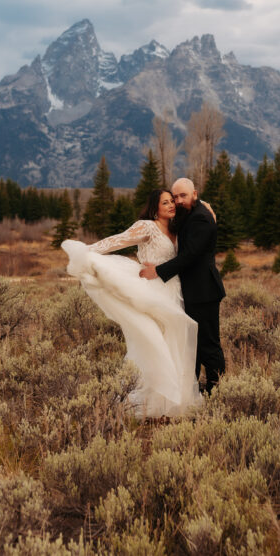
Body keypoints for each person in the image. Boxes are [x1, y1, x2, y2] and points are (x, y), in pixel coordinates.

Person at [61, 189, 202, 417]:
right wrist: (87, 251)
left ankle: (176, 402)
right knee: (155, 341)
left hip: (175, 291)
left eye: (171, 201)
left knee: (175, 341)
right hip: (153, 291)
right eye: (164, 202)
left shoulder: (177, 227)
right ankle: (150, 400)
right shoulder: (146, 226)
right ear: (155, 207)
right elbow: (117, 241)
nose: (170, 205)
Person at [140, 178, 226, 393]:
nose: (177, 201)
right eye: (174, 197)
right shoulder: (192, 212)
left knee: (208, 346)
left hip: (203, 291)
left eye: (182, 196)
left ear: (194, 194)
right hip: (192, 291)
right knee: (192, 346)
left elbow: (189, 256)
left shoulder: (201, 219)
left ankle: (217, 392)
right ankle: (194, 392)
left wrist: (158, 271)